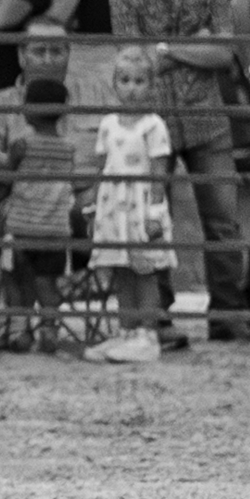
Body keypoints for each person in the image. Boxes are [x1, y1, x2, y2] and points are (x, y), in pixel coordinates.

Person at [108, 0, 250, 341]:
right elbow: (136, 62)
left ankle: (224, 313)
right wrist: (194, 43)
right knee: (153, 215)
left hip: (195, 116)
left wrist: (166, 49)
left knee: (222, 218)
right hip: (160, 118)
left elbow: (223, 53)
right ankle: (162, 314)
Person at [0, 76, 81, 354]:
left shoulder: (22, 145)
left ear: (28, 109)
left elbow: (8, 176)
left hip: (22, 228)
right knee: (46, 283)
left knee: (14, 279)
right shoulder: (69, 147)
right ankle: (49, 330)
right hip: (55, 229)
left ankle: (18, 330)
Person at [82, 47, 173, 365]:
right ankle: (126, 329)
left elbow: (160, 173)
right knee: (121, 269)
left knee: (143, 268)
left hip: (140, 204)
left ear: (151, 86)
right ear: (115, 84)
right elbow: (101, 166)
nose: (132, 88)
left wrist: (154, 213)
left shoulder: (154, 126)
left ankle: (148, 334)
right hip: (113, 205)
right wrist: (93, 207)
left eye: (139, 81)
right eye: (125, 80)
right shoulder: (108, 124)